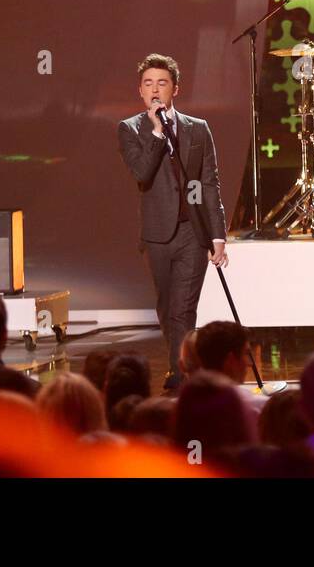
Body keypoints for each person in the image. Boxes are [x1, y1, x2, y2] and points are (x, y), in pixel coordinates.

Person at [118, 54, 229, 391]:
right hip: (156, 234)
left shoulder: (198, 129)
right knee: (167, 307)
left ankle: (182, 377)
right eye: (148, 83)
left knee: (183, 309)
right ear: (140, 90)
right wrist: (155, 132)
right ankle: (179, 364)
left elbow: (209, 182)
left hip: (191, 232)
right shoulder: (130, 129)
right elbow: (141, 173)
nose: (155, 89)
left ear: (175, 89)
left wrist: (218, 234)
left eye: (162, 83)